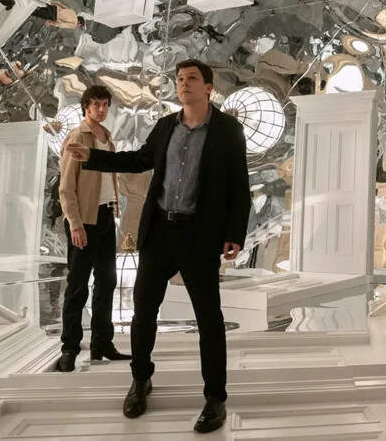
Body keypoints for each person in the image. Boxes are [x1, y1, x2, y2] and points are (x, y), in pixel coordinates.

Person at [64, 59, 251, 433]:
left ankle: (215, 398)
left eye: (192, 78)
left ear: (208, 88)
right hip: (160, 232)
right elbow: (138, 160)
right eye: (179, 79)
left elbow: (238, 183)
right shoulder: (166, 126)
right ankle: (140, 380)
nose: (184, 83)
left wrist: (235, 233)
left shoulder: (228, 129)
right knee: (144, 312)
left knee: (209, 319)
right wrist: (94, 157)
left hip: (199, 236)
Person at [56, 84, 130, 372]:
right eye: (96, 104)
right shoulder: (78, 137)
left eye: (105, 105)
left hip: (106, 217)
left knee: (106, 282)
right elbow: (66, 188)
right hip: (83, 219)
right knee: (77, 286)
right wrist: (75, 224)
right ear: (86, 107)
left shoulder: (107, 138)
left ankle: (102, 343)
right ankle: (70, 348)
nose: (101, 109)